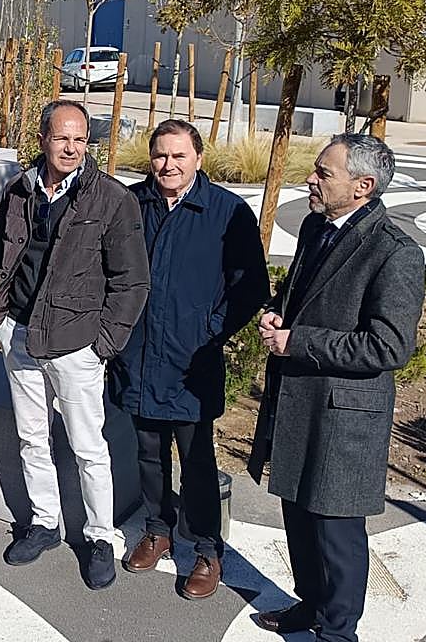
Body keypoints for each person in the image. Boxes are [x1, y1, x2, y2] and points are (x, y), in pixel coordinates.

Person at [248, 134, 424, 642]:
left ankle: (338, 631)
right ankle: (311, 604)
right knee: (299, 518)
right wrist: (279, 313)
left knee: (336, 533)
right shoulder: (314, 226)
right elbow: (302, 295)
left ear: (363, 186)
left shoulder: (395, 253)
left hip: (345, 416)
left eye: (324, 173)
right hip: (299, 399)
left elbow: (389, 347)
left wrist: (296, 340)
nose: (311, 178)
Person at [0, 100, 149, 589]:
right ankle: (44, 523)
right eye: (62, 137)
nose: (71, 147)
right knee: (32, 438)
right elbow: (3, 253)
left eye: (80, 138)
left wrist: (103, 343)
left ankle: (99, 537)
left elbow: (131, 281)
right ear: (44, 138)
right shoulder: (22, 189)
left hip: (76, 344)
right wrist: (3, 317)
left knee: (89, 448)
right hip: (20, 334)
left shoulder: (112, 199)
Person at [112, 119, 270, 599]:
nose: (168, 165)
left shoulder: (226, 211)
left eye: (179, 156)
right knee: (147, 455)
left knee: (196, 460)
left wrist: (209, 331)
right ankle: (158, 530)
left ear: (198, 159)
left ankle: (206, 548)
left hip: (190, 363)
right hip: (137, 355)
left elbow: (251, 289)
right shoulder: (132, 204)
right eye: (160, 155)